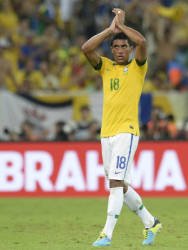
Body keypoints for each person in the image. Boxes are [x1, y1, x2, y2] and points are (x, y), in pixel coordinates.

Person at [81, 8, 162, 247]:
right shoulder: (105, 67)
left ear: (129, 50)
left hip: (126, 132)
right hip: (106, 133)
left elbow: (142, 41)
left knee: (115, 183)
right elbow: (86, 49)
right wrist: (110, 30)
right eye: (115, 47)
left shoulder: (138, 66)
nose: (119, 51)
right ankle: (151, 222)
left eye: (123, 47)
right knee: (121, 185)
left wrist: (122, 26)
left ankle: (106, 234)